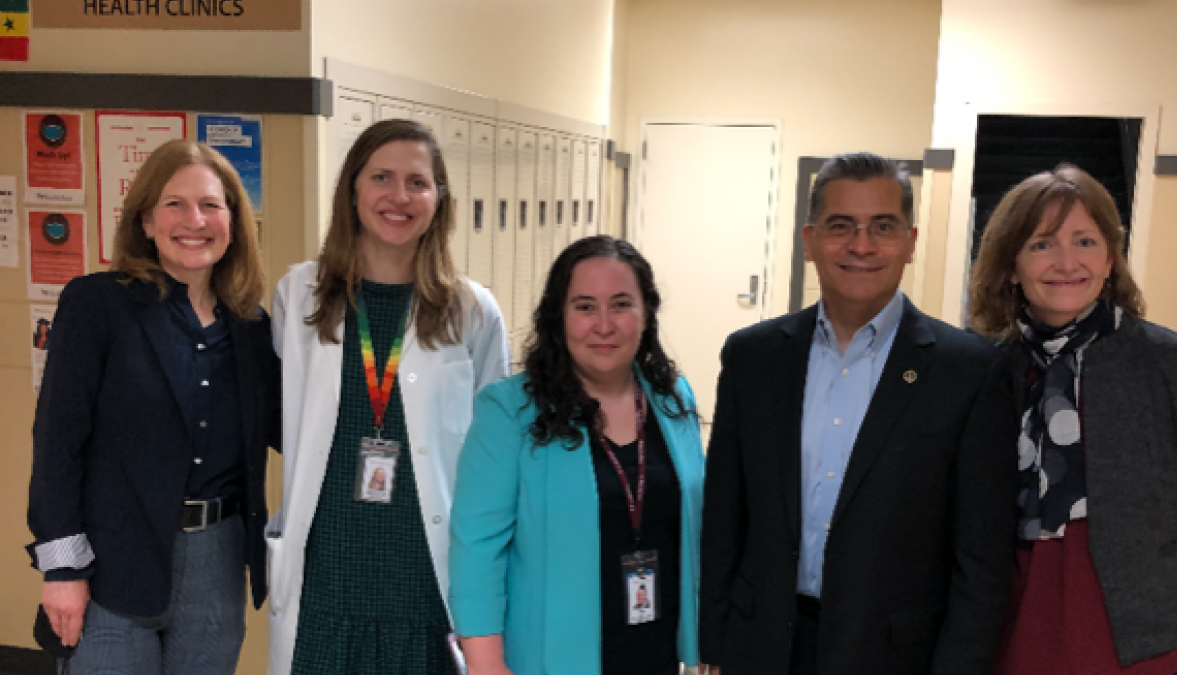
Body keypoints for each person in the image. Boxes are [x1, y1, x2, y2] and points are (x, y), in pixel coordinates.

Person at [700, 153, 1018, 675]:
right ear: (809, 240)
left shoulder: (968, 371)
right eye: (840, 226)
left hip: (895, 656)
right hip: (761, 645)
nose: (862, 245)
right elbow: (724, 517)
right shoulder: (753, 357)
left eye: (883, 227)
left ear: (910, 242)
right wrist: (713, 644)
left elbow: (981, 564)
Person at [27, 138, 280, 674]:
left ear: (233, 222)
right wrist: (62, 570)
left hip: (218, 560)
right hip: (113, 561)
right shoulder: (99, 305)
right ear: (145, 221)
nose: (195, 220)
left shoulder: (251, 327)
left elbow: (294, 425)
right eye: (175, 204)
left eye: (212, 205)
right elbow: (57, 443)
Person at [268, 119, 510, 675]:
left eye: (417, 182)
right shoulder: (300, 295)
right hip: (327, 569)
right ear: (353, 190)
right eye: (381, 177)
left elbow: (493, 460)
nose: (399, 197)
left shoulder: (470, 312)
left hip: (425, 574)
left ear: (439, 199)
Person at [969, 165, 1177, 675]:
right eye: (1042, 244)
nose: (1067, 262)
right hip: (1007, 626)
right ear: (1011, 266)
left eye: (1085, 241)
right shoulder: (980, 372)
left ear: (1111, 259)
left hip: (1144, 638)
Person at [449, 235, 706, 675]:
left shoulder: (671, 399)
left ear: (646, 314)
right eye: (585, 306)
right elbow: (475, 550)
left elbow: (695, 528)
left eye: (621, 304)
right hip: (552, 659)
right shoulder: (510, 412)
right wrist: (486, 665)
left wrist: (704, 643)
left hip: (655, 651)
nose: (603, 325)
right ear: (559, 317)